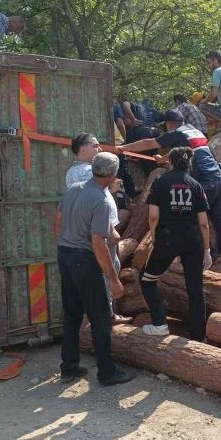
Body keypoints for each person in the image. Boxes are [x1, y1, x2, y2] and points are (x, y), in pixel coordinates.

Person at [118, 109, 221, 268]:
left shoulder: (177, 133)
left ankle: (193, 256)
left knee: (186, 219)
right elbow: (187, 151)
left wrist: (123, 148)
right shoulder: (195, 132)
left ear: (169, 124)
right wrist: (164, 158)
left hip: (204, 185)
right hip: (220, 183)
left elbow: (148, 143)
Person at [55, 152, 134, 386]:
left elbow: (57, 224)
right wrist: (113, 279)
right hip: (85, 261)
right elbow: (98, 243)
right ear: (113, 174)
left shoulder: (74, 189)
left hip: (65, 255)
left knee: (71, 314)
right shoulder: (100, 200)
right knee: (100, 318)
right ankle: (106, 372)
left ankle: (69, 367)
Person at [140, 147, 212, 340]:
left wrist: (154, 236)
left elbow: (153, 216)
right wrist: (207, 250)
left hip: (167, 239)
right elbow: (203, 223)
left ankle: (160, 323)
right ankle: (199, 335)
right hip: (193, 240)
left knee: (147, 279)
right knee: (195, 288)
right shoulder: (196, 185)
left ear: (170, 162)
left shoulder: (160, 182)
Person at [65, 133, 132, 326]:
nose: (99, 149)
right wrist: (111, 229)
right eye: (95, 146)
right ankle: (107, 315)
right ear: (83, 149)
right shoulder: (88, 172)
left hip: (86, 231)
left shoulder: (72, 171)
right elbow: (95, 206)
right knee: (108, 269)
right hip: (100, 232)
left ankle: (101, 313)